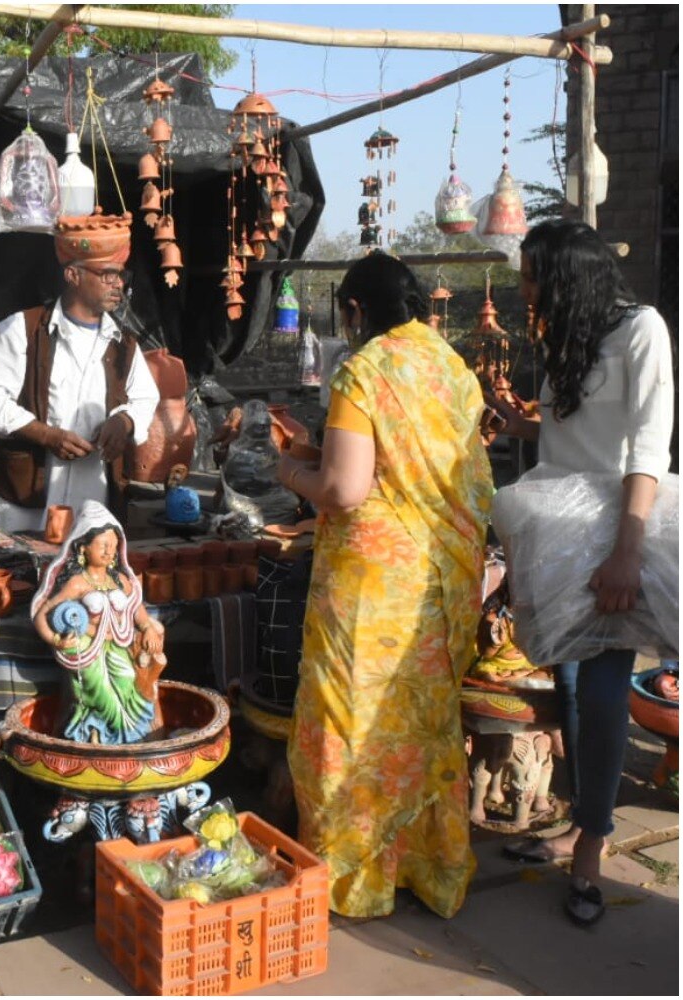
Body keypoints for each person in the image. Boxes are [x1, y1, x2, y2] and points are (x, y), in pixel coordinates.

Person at [278, 252, 494, 920]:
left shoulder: (364, 370)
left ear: (355, 312)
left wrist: (289, 472)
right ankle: (428, 867)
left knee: (354, 718)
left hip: (371, 585)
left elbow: (344, 489)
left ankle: (355, 879)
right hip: (437, 577)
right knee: (425, 725)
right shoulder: (453, 368)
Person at [485, 219, 675, 926]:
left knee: (599, 691)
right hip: (558, 528)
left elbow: (648, 446)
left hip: (618, 528)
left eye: (532, 275)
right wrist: (518, 426)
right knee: (563, 684)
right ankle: (576, 821)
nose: (524, 288)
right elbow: (572, 432)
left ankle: (592, 843)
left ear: (567, 276)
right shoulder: (566, 334)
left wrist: (626, 551)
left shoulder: (642, 330)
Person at [0, 215, 160, 533]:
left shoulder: (123, 343)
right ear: (73, 274)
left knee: (85, 573)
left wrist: (124, 421)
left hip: (94, 495)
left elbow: (145, 397)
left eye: (121, 275)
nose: (119, 284)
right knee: (22, 575)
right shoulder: (23, 328)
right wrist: (48, 436)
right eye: (108, 275)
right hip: (28, 496)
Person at [30, 500, 166, 745]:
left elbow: (137, 610)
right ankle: (96, 734)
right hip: (87, 652)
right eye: (103, 545)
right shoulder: (77, 583)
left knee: (127, 682)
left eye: (113, 546)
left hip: (118, 649)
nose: (109, 551)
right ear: (83, 548)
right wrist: (55, 640)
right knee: (101, 697)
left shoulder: (121, 581)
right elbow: (42, 612)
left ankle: (128, 738)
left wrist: (147, 628)